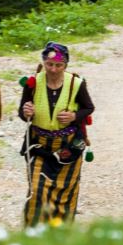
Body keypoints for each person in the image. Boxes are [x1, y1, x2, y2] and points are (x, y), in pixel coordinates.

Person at [18, 42, 95, 227]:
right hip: (39, 146)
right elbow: (22, 112)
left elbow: (89, 107)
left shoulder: (76, 84)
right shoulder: (32, 83)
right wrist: (26, 111)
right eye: (49, 64)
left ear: (65, 65)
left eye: (58, 65)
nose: (53, 69)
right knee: (36, 191)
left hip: (68, 147)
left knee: (65, 195)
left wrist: (74, 116)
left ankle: (60, 237)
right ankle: (33, 234)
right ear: (44, 62)